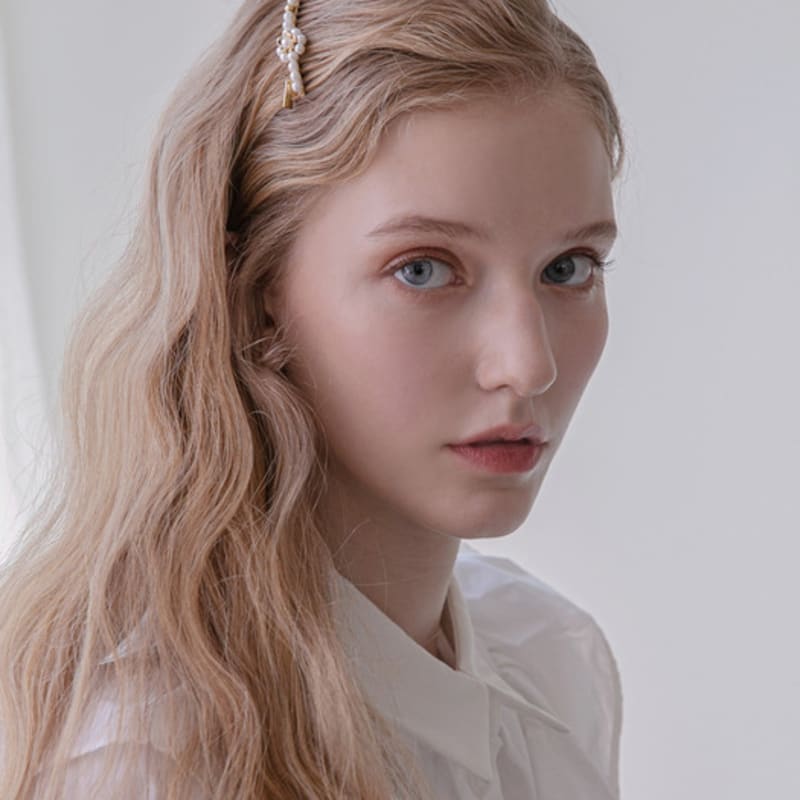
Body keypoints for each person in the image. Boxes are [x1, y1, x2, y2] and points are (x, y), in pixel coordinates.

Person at [0, 0, 626, 797]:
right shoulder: (149, 756)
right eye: (424, 269)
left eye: (569, 268)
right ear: (256, 288)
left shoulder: (555, 660)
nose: (527, 365)